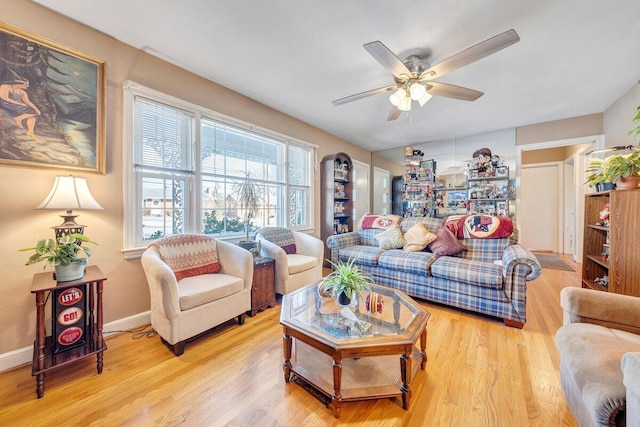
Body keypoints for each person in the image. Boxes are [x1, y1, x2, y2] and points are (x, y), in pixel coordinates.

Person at [0, 71, 41, 140]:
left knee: (34, 114)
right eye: (26, 84)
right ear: (20, 83)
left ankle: (30, 132)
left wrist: (36, 108)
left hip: (18, 106)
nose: (27, 86)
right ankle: (17, 119)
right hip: (6, 104)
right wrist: (19, 104)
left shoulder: (22, 92)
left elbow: (28, 102)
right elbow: (4, 98)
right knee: (32, 111)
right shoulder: (6, 87)